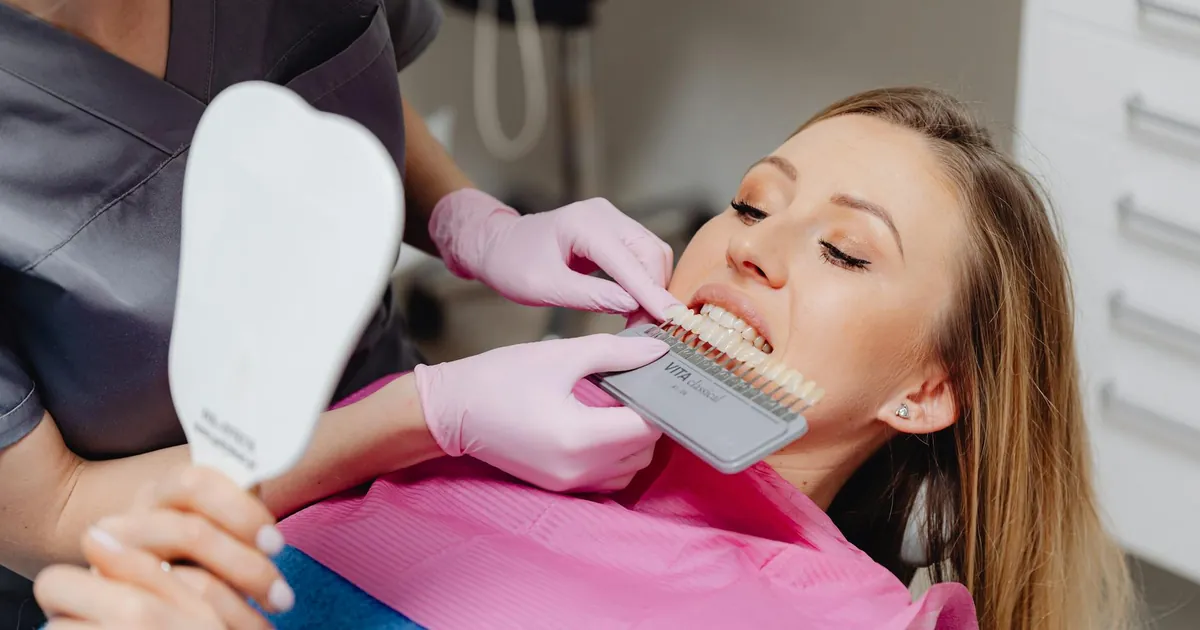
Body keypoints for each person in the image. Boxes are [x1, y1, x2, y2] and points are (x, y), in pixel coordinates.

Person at [35, 87, 1140, 630]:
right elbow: (113, 532)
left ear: (927, 390)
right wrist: (426, 413)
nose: (751, 247)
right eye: (752, 202)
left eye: (845, 250)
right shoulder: (430, 432)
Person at [0, 0, 682, 626]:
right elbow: (56, 515)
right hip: (171, 578)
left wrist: (469, 220)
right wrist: (427, 413)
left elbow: (336, 71)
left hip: (419, 460)